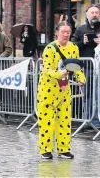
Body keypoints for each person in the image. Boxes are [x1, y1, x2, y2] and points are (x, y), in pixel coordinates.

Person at [37, 21, 86, 159]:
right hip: (48, 90)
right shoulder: (49, 48)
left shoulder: (74, 48)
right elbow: (46, 69)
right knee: (47, 122)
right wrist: (59, 74)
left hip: (64, 90)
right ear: (57, 32)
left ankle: (63, 149)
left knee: (64, 121)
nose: (65, 35)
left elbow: (76, 66)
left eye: (68, 32)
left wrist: (80, 78)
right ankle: (45, 150)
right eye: (63, 32)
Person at [71, 5, 100, 126]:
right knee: (88, 93)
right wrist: (83, 42)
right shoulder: (80, 29)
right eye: (92, 12)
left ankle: (96, 120)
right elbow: (72, 45)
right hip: (87, 67)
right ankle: (88, 120)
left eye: (96, 12)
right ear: (87, 14)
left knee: (98, 94)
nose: (94, 14)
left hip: (99, 66)